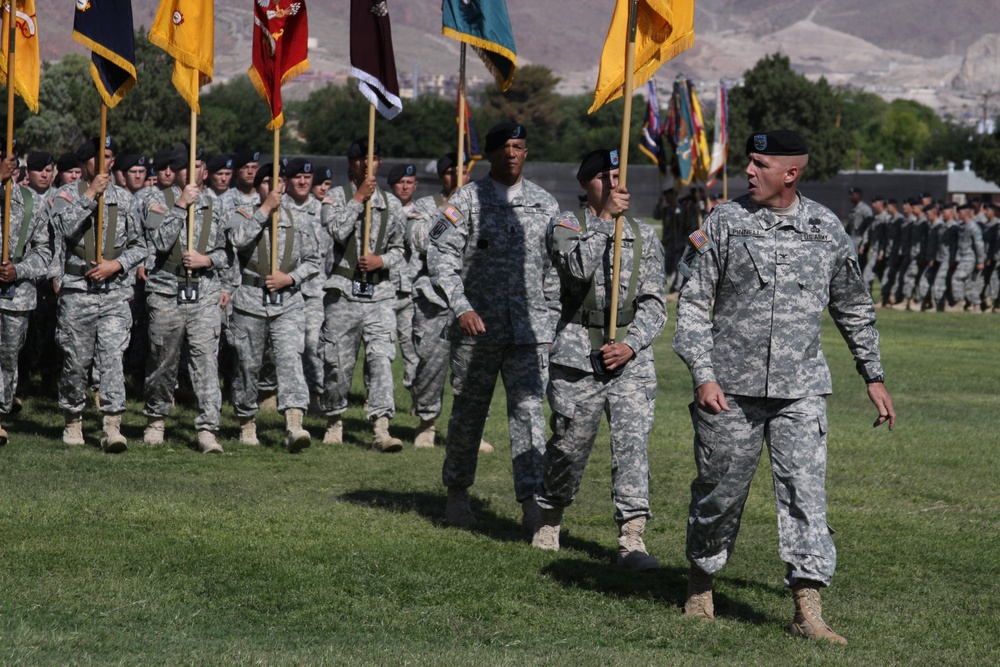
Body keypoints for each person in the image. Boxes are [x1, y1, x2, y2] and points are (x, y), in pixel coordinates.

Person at [672, 130, 896, 644]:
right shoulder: (726, 222)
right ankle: (701, 581)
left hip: (801, 390)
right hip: (730, 390)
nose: (748, 172)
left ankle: (807, 607)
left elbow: (854, 306)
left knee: (805, 496)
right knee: (719, 494)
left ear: (790, 173)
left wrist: (873, 375)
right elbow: (691, 303)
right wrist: (703, 374)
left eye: (760, 164)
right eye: (749, 162)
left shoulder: (825, 228)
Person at [530, 149, 666, 572]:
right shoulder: (566, 226)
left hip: (630, 361)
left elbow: (656, 304)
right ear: (587, 183)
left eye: (619, 178)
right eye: (606, 177)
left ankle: (632, 537)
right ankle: (550, 514)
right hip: (577, 356)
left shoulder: (643, 235)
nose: (615, 185)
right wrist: (605, 221)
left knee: (631, 448)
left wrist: (631, 344)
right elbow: (576, 270)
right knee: (568, 448)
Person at [427, 121, 560, 530]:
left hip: (528, 334)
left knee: (530, 418)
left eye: (519, 146)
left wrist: (551, 319)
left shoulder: (545, 203)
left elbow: (554, 270)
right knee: (468, 416)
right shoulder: (467, 200)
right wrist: (461, 307)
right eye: (504, 147)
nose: (513, 154)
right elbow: (440, 256)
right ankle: (457, 495)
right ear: (490, 154)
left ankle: (533, 505)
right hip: (476, 332)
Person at [48, 136, 147, 452]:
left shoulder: (126, 199)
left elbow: (141, 244)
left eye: (108, 156)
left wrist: (117, 264)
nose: (103, 162)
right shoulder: (66, 195)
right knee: (76, 360)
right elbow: (62, 228)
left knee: (112, 358)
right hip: (77, 292)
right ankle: (73, 419)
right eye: (96, 157)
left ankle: (111, 425)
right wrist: (90, 195)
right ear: (83, 164)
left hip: (114, 292)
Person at [140, 150, 234, 452]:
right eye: (187, 166)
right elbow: (159, 242)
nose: (194, 170)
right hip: (167, 290)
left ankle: (208, 428)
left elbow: (226, 253)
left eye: (198, 165)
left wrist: (207, 259)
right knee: (163, 359)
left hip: (203, 292)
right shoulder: (155, 201)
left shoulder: (216, 206)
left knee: (206, 359)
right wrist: (181, 206)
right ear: (177, 172)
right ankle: (156, 419)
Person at [319, 139, 406, 452]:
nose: (367, 164)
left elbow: (400, 248)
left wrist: (382, 260)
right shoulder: (335, 197)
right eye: (361, 159)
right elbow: (337, 231)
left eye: (374, 158)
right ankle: (334, 419)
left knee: (381, 360)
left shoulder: (392, 205)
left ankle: (381, 427)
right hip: (343, 294)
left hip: (380, 295)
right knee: (337, 364)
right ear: (351, 163)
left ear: (380, 162)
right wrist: (358, 198)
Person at [227, 163, 318, 451]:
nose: (274, 187)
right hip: (250, 302)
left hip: (287, 303)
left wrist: (290, 277)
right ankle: (247, 422)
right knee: (247, 365)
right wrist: (265, 209)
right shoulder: (244, 214)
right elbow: (237, 240)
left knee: (291, 359)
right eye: (267, 182)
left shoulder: (298, 219)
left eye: (278, 182)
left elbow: (313, 260)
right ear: (258, 187)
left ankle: (294, 423)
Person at [0, 153, 51, 444]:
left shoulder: (31, 201)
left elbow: (44, 251)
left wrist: (18, 270)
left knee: (8, 356)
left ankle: (3, 406)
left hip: (16, 294)